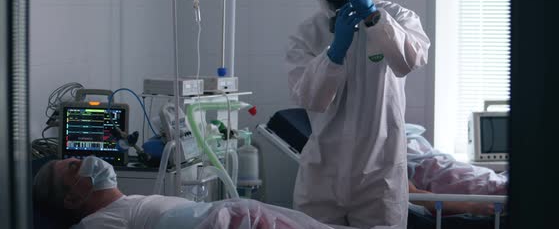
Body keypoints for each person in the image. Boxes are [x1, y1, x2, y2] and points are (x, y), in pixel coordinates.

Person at [286, 0, 430, 229]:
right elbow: (309, 98)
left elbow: (411, 60)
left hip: (380, 177)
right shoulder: (307, 34)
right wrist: (334, 53)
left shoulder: (397, 16)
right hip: (321, 178)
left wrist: (374, 18)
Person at [32, 156, 334, 229]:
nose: (86, 161)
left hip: (238, 217)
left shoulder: (125, 202)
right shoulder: (95, 223)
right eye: (73, 168)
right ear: (71, 199)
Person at [405, 124, 508, 217]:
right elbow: (413, 195)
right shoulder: (392, 158)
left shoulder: (409, 137)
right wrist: (471, 207)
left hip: (490, 178)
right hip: (483, 188)